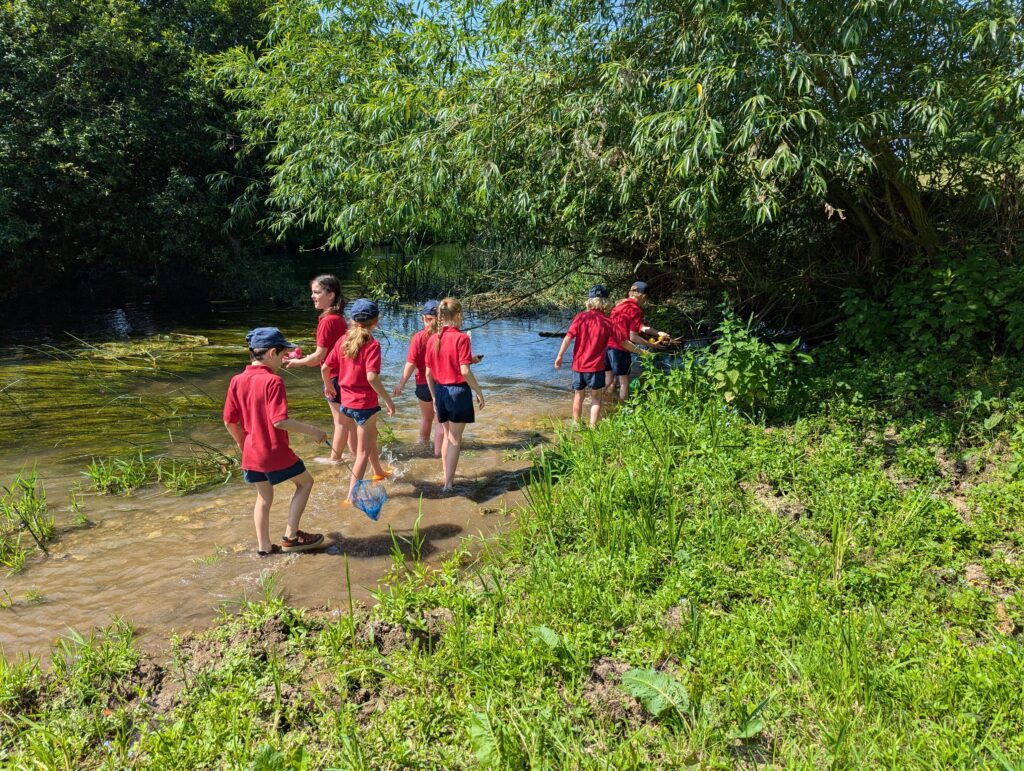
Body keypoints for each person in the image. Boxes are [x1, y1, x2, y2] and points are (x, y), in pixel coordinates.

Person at [223, 327, 327, 556]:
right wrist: (313, 431)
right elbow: (279, 421)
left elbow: (229, 421)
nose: (283, 360)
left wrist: (242, 443)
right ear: (271, 353)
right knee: (305, 483)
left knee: (264, 496)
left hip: (251, 452)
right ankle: (291, 536)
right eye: (282, 355)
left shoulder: (236, 380)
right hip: (273, 451)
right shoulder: (273, 381)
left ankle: (264, 548)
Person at [321, 299, 396, 507]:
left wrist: (329, 387)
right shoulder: (372, 344)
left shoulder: (343, 340)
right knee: (361, 453)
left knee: (370, 438)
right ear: (376, 321)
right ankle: (351, 497)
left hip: (346, 402)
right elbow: (372, 377)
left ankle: (378, 472)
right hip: (364, 404)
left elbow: (325, 368)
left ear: (352, 320)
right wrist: (388, 401)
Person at [285, 274, 354, 462]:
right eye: (312, 292)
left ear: (330, 294)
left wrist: (296, 362)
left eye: (317, 292)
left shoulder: (326, 321)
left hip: (334, 377)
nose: (312, 296)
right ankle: (356, 455)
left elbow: (318, 357)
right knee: (350, 421)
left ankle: (334, 460)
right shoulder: (339, 318)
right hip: (347, 375)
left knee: (340, 422)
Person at [554, 285, 639, 427]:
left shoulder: (580, 317)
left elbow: (568, 337)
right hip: (596, 368)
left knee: (578, 396)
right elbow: (624, 343)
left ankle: (576, 424)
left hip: (578, 366)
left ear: (589, 300)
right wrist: (641, 351)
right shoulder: (607, 322)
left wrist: (560, 355)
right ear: (605, 302)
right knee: (596, 398)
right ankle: (593, 428)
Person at [425, 297, 484, 492]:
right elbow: (464, 371)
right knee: (455, 440)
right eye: (462, 316)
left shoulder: (433, 338)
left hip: (440, 390)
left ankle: (446, 476)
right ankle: (448, 484)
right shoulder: (462, 338)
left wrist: (434, 397)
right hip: (458, 392)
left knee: (448, 436)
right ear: (458, 316)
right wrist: (479, 391)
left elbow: (428, 372)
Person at [393, 300, 444, 455]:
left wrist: (401, 383)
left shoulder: (418, 337)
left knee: (426, 418)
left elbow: (411, 363)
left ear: (423, 318)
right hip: (442, 383)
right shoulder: (445, 336)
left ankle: (422, 446)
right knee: (440, 421)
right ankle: (440, 451)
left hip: (423, 384)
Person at [605, 280, 670, 401]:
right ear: (643, 296)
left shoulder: (620, 305)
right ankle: (622, 409)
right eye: (646, 299)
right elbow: (633, 337)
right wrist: (651, 345)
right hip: (621, 348)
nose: (645, 301)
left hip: (606, 346)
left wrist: (658, 333)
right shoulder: (635, 310)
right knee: (624, 382)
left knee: (610, 380)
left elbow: (639, 326)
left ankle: (599, 400)